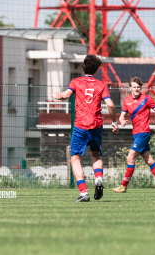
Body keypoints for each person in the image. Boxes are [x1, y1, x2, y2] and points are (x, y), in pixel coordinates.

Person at [51, 54, 119, 202]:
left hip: (81, 126)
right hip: (96, 126)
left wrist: (57, 96)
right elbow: (111, 105)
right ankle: (98, 179)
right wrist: (114, 122)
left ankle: (84, 193)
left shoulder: (76, 82)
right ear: (96, 70)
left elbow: (65, 95)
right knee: (95, 155)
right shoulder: (101, 85)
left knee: (75, 159)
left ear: (83, 68)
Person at [112, 77, 155, 194]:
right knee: (149, 160)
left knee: (130, 158)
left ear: (141, 88)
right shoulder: (127, 100)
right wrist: (122, 120)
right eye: (134, 87)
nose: (136, 89)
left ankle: (123, 186)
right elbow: (122, 116)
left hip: (143, 133)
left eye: (138, 87)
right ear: (130, 88)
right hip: (136, 134)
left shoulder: (147, 99)